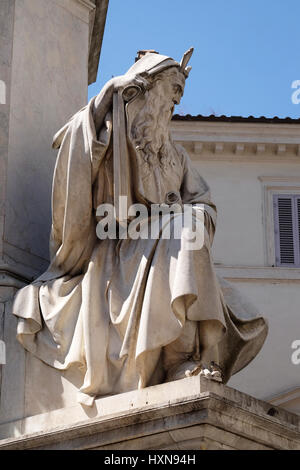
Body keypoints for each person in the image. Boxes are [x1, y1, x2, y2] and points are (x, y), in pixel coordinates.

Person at [13, 49, 268, 405]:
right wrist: (108, 93)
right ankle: (180, 359)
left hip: (165, 247)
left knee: (187, 230)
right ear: (146, 87)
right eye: (172, 89)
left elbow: (204, 203)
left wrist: (186, 215)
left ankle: (185, 355)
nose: (176, 101)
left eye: (181, 94)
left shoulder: (176, 156)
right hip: (115, 247)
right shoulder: (110, 129)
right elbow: (75, 145)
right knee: (181, 233)